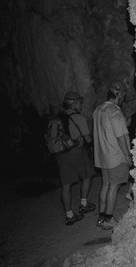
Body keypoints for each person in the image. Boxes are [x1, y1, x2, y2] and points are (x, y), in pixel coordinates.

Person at [93, 82, 131, 230]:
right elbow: (121, 137)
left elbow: (106, 130)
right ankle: (108, 219)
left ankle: (101, 219)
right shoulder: (115, 112)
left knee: (106, 185)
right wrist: (127, 156)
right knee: (114, 187)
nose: (123, 99)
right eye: (122, 96)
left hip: (102, 156)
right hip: (115, 156)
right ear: (118, 95)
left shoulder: (98, 110)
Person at [56, 91, 96, 225]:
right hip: (77, 153)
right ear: (72, 103)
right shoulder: (78, 118)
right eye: (79, 102)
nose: (81, 104)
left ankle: (69, 214)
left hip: (62, 155)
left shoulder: (58, 117)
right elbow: (88, 139)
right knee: (87, 175)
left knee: (65, 185)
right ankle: (83, 204)